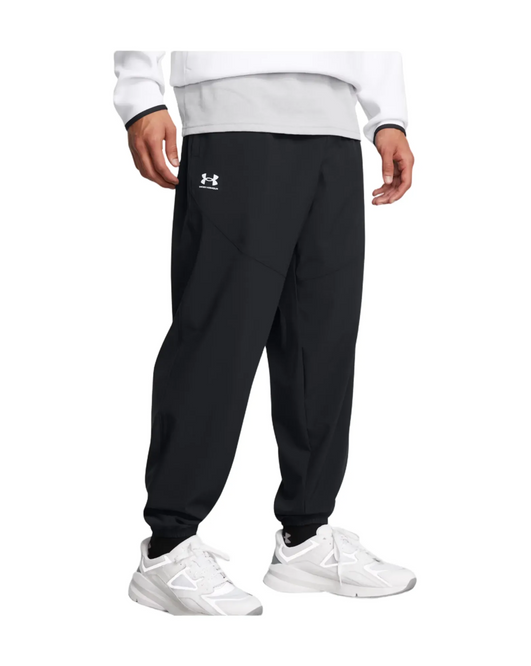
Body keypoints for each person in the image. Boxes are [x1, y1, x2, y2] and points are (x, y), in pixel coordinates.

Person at [114, 51, 416, 616]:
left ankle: (306, 536)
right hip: (231, 118)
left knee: (322, 341)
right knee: (218, 339)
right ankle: (168, 547)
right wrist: (141, 96)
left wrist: (387, 116)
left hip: (334, 131)